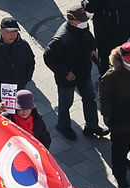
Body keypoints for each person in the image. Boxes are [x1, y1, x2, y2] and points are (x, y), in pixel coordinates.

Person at [44, 5, 105, 141]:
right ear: (72, 22)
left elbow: (89, 38)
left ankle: (92, 126)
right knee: (66, 103)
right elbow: (49, 57)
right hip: (68, 78)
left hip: (84, 72)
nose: (85, 23)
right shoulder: (62, 38)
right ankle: (63, 125)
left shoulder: (82, 28)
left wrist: (92, 47)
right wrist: (65, 72)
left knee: (90, 98)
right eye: (82, 21)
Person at [98, 43, 130, 188]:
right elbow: (105, 98)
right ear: (121, 58)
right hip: (119, 119)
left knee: (128, 141)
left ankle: (123, 158)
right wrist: (107, 116)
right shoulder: (111, 77)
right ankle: (120, 174)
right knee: (118, 148)